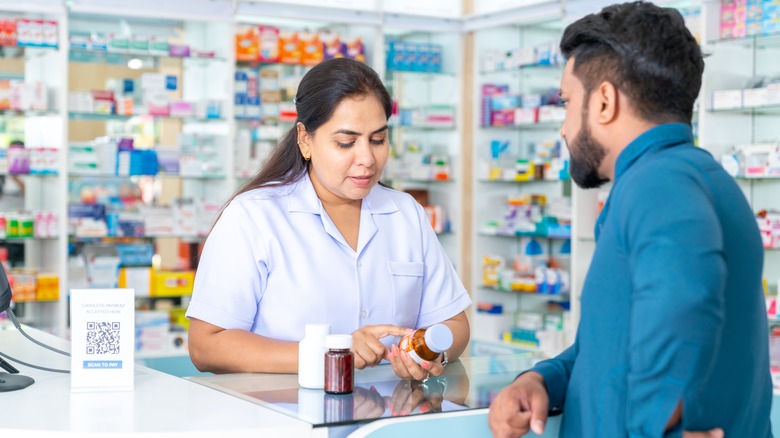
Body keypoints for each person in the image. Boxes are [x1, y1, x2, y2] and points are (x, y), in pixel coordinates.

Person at [488, 2, 772, 437]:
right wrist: (542, 380)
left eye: (567, 104)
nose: (564, 129)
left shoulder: (658, 181)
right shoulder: (699, 176)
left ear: (604, 101)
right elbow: (609, 346)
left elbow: (686, 297)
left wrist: (653, 427)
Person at [186, 58, 471, 380]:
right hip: (281, 414)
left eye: (377, 140)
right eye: (345, 143)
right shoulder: (254, 215)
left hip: (386, 415)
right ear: (306, 140)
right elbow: (206, 346)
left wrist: (431, 353)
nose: (366, 158)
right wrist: (333, 354)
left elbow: (455, 323)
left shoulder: (406, 213)